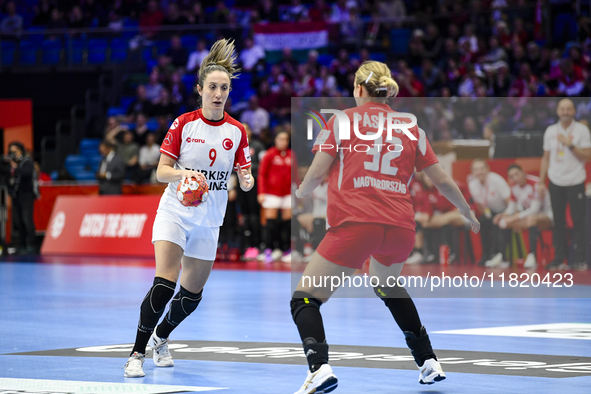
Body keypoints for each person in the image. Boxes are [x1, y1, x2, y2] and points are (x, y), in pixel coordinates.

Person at [291, 60, 479, 393]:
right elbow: (442, 181)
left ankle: (318, 369)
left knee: (305, 299)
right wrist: (466, 210)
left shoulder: (341, 121)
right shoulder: (412, 128)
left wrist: (300, 193)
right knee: (387, 284)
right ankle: (429, 362)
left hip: (356, 225)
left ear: (359, 89)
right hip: (400, 229)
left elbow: (316, 175)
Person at [124, 38, 254, 378]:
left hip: (210, 218)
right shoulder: (183, 124)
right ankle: (136, 353)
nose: (218, 93)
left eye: (224, 88)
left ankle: (161, 337)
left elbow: (244, 175)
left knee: (192, 294)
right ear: (200, 89)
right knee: (164, 283)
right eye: (212, 87)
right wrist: (186, 175)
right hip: (176, 210)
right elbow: (162, 171)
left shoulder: (238, 131)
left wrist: (247, 179)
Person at [538, 99, 591, 271]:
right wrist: (541, 181)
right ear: (558, 111)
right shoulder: (550, 131)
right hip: (555, 181)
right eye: (562, 109)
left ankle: (580, 259)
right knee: (558, 222)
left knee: (578, 222)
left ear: (574, 111)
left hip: (575, 181)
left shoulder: (582, 130)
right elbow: (546, 158)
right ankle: (559, 258)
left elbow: (587, 156)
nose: (565, 111)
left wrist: (570, 145)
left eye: (569, 109)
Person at [493, 164, 553, 269]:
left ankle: (532, 256)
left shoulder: (536, 184)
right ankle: (502, 257)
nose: (515, 178)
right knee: (503, 222)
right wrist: (504, 215)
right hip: (528, 217)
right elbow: (512, 207)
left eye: (517, 174)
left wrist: (515, 218)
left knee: (531, 219)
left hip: (546, 216)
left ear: (523, 172)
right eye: (512, 176)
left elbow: (535, 210)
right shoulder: (514, 187)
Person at [257, 130, 294, 263]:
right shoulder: (269, 154)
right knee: (270, 223)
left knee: (287, 224)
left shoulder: (291, 155)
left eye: (285, 139)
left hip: (287, 194)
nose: (283, 142)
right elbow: (262, 174)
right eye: (280, 139)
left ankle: (286, 250)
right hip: (271, 193)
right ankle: (268, 250)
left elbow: (296, 176)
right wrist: (261, 192)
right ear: (275, 140)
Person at [468, 159, 512, 268]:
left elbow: (511, 202)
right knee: (482, 221)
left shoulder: (496, 180)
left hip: (505, 210)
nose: (480, 172)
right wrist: (487, 216)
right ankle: (486, 254)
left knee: (498, 222)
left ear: (488, 169)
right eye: (476, 170)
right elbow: (480, 205)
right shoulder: (472, 184)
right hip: (490, 211)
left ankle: (500, 256)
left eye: (482, 169)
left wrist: (504, 214)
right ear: (472, 172)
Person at [6, 142, 39, 254]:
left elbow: (27, 174)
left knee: (27, 220)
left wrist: (16, 168)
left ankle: (33, 245)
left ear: (21, 151)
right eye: (11, 152)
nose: (13, 154)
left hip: (27, 196)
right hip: (16, 196)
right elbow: (7, 178)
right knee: (19, 222)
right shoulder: (11, 163)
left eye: (15, 151)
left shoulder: (27, 161)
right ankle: (22, 245)